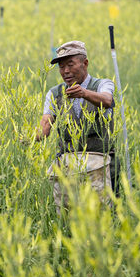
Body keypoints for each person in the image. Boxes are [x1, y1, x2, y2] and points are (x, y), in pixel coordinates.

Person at [36, 40, 115, 210]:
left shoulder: (103, 85)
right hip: (68, 167)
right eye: (61, 67)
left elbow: (108, 100)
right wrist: (32, 136)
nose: (65, 71)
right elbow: (45, 125)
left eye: (70, 64)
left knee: (99, 217)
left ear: (85, 63)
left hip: (99, 166)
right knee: (67, 217)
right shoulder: (55, 93)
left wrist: (84, 93)